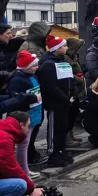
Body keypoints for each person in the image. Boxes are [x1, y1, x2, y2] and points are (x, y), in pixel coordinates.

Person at [6, 51, 44, 180]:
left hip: (34, 113)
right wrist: (33, 97)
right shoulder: (17, 79)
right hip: (25, 115)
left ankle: (25, 168)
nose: (37, 68)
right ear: (26, 67)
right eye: (34, 66)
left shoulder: (31, 75)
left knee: (26, 144)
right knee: (23, 145)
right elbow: (15, 97)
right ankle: (24, 171)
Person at [37, 35, 73, 167]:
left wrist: (71, 94)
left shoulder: (62, 61)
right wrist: (64, 97)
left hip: (65, 100)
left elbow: (69, 79)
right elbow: (51, 86)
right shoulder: (48, 64)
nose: (66, 47)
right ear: (56, 49)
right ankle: (53, 153)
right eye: (64, 46)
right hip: (55, 102)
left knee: (62, 128)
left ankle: (61, 150)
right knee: (54, 128)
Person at [0, 111, 44, 196]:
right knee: (20, 185)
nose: (28, 129)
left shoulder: (4, 132)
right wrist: (31, 189)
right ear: (21, 125)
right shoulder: (4, 138)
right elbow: (11, 168)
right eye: (28, 126)